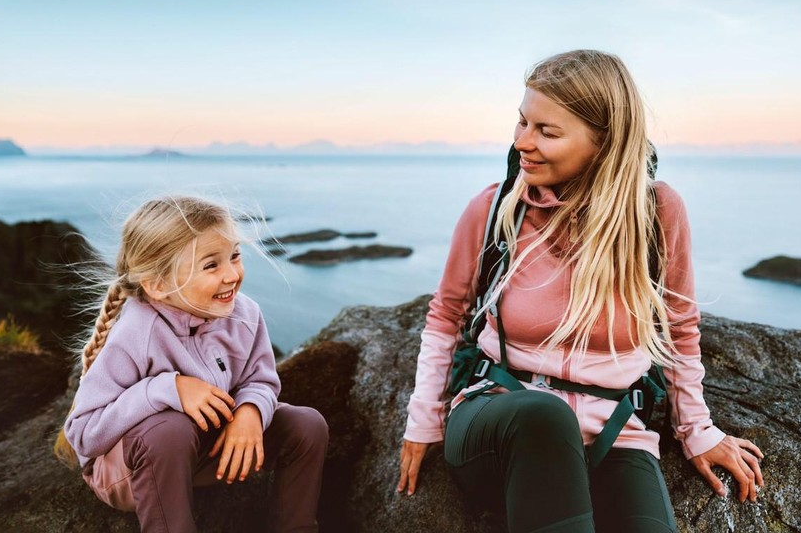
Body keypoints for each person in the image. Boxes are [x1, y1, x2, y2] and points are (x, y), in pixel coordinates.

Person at [396, 50, 764, 533]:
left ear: (604, 142)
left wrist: (696, 429)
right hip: (499, 418)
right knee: (543, 416)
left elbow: (679, 328)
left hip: (614, 432)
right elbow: (445, 316)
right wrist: (422, 422)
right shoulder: (494, 209)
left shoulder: (655, 214)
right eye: (522, 122)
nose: (523, 143)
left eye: (547, 132)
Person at [54, 195, 328, 533]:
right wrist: (165, 389)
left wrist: (250, 413)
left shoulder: (245, 314)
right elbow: (83, 435)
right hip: (131, 472)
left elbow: (261, 380)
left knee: (306, 425)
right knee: (170, 430)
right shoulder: (136, 333)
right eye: (211, 265)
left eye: (235, 256)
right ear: (158, 285)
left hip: (204, 452)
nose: (231, 275)